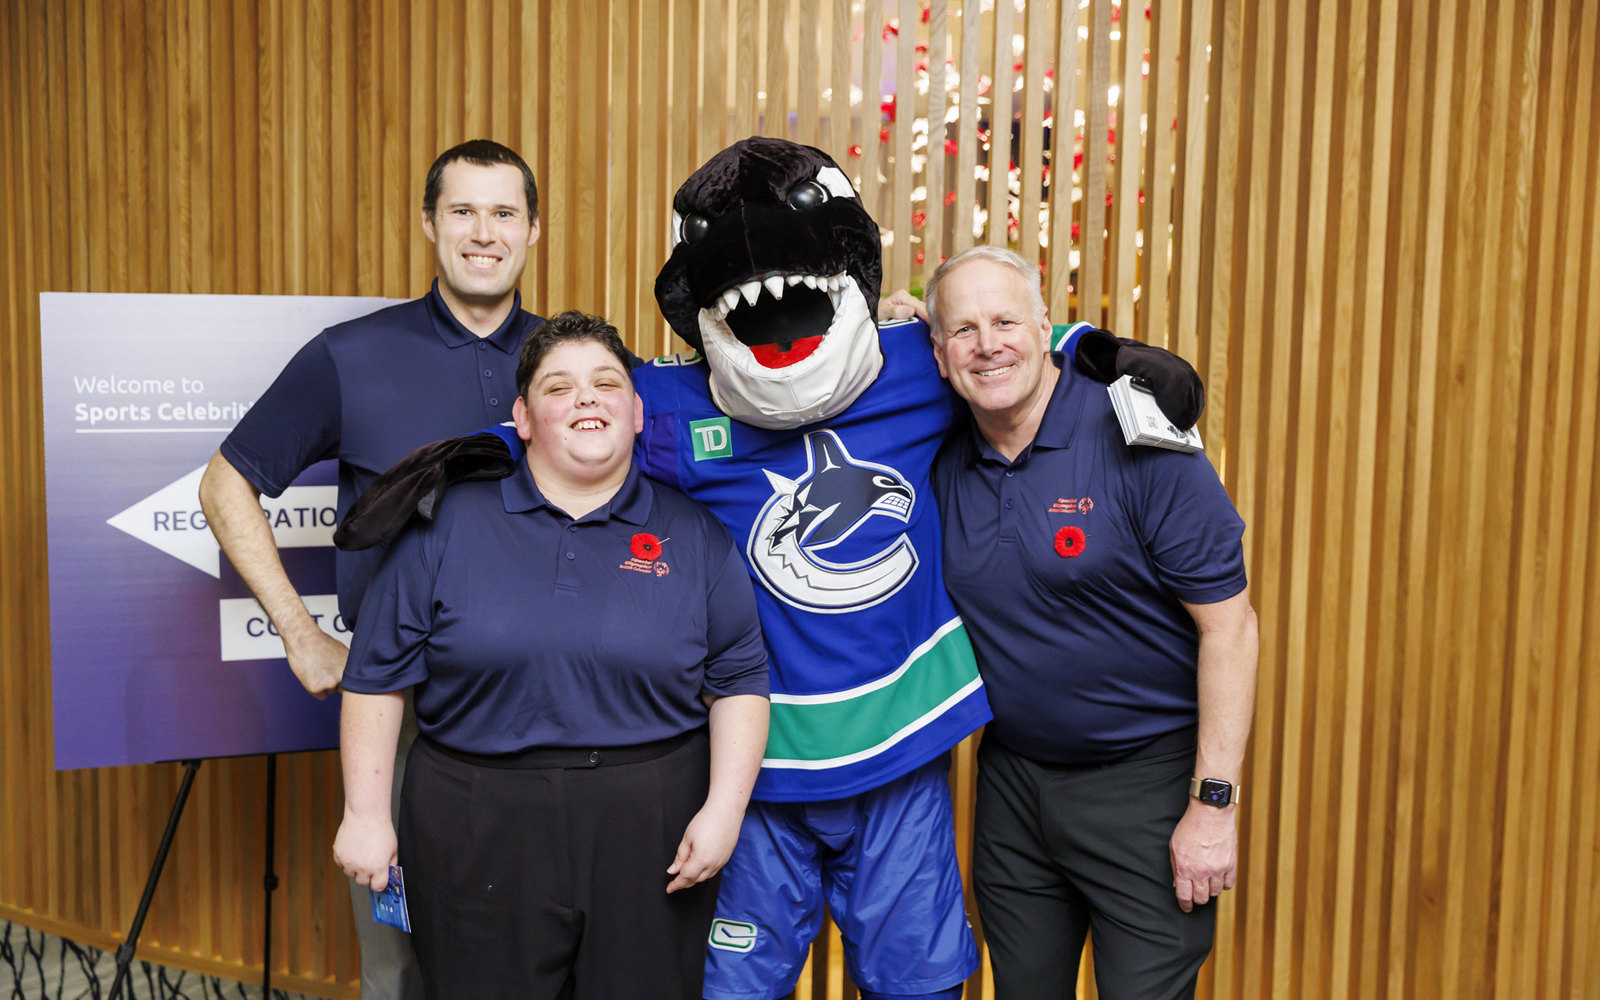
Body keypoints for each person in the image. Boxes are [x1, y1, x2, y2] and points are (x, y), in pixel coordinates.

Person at [332, 311, 770, 1000]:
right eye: (559, 387)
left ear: (635, 415)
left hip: (650, 828)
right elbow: (375, 679)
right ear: (524, 417)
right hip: (475, 821)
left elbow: (740, 682)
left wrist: (724, 812)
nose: (587, 397)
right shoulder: (441, 528)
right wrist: (364, 813)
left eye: (606, 383)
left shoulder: (696, 536)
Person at [197, 139, 543, 1000]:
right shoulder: (351, 354)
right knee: (401, 965)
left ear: (534, 230)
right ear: (428, 223)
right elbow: (224, 484)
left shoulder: (571, 363)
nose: (483, 233)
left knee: (534, 942)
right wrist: (301, 632)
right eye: (462, 211)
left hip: (545, 704)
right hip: (401, 705)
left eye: (504, 213)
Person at [925, 245, 1260, 999]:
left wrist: (1213, 807)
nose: (989, 344)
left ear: (1046, 327)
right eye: (965, 329)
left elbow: (1231, 630)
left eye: (1007, 319)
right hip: (1012, 784)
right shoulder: (938, 447)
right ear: (940, 354)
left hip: (1145, 787)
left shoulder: (1138, 436)